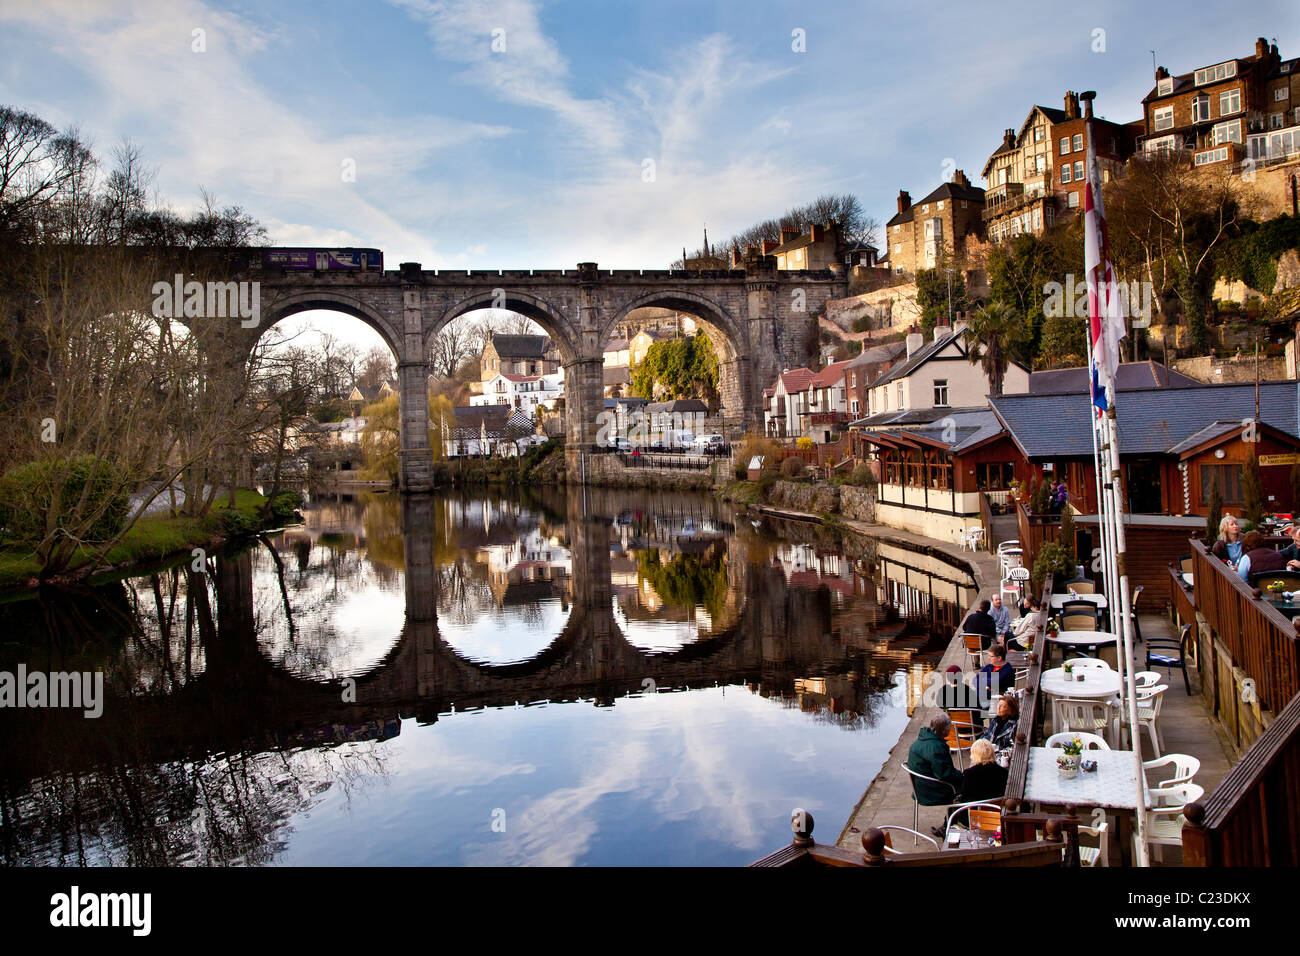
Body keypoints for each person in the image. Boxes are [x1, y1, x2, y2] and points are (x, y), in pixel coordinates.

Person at [907, 713, 964, 837]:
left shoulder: (922, 740)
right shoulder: (936, 748)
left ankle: (950, 824)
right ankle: (950, 826)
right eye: (949, 728)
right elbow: (944, 774)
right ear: (945, 730)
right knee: (965, 791)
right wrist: (962, 775)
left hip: (919, 788)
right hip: (931, 792)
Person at [959, 739, 1008, 804]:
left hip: (976, 811)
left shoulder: (969, 774)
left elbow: (964, 795)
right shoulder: (1003, 772)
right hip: (997, 810)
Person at [938, 665, 985, 730]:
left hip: (954, 728)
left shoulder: (942, 691)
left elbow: (940, 704)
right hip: (972, 728)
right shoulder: (967, 690)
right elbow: (979, 709)